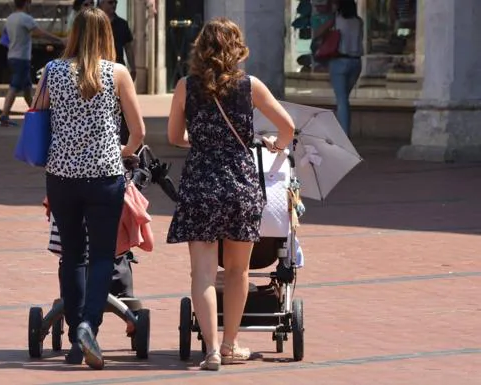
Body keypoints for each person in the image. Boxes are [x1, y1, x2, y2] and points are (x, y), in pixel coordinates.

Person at [166, 18, 295, 371]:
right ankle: (230, 344)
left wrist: (203, 141)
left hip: (200, 183)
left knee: (202, 274)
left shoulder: (185, 86)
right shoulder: (250, 86)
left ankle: (209, 350)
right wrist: (274, 144)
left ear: (201, 48)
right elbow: (287, 128)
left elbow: (175, 137)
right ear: (236, 48)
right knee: (238, 271)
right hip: (240, 183)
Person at [32, 7, 145, 369]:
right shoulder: (117, 73)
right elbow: (138, 132)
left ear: (74, 33)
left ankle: (76, 342)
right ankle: (87, 326)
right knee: (101, 256)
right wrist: (123, 152)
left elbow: (36, 113)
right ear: (107, 35)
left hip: (62, 176)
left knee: (72, 255)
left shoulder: (52, 72)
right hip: (104, 175)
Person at [0, 0, 64, 127]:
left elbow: (4, 38)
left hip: (12, 56)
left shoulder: (10, 18)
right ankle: (4, 116)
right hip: (21, 58)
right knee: (15, 86)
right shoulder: (26, 19)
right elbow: (40, 33)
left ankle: (36, 114)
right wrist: (59, 40)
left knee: (27, 88)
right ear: (27, 3)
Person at [315, 0, 364, 137]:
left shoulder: (336, 19)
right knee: (343, 99)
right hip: (356, 63)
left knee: (342, 100)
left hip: (339, 62)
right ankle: (340, 129)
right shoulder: (359, 21)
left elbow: (317, 33)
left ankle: (343, 135)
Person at [97, 0, 136, 145]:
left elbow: (129, 46)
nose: (113, 5)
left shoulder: (122, 24)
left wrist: (133, 66)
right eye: (110, 2)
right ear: (100, 3)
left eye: (115, 3)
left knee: (123, 105)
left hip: (118, 68)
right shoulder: (94, 22)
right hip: (97, 69)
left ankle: (123, 137)